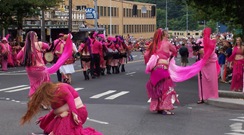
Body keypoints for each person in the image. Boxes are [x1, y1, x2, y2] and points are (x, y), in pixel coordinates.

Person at [20, 82, 103, 135]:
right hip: (67, 113)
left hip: (79, 113)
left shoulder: (61, 88)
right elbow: (54, 112)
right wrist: (44, 119)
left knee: (62, 130)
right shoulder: (53, 96)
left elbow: (70, 99)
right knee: (49, 128)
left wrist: (74, 113)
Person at [145, 28, 178, 115]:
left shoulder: (154, 45)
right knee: (166, 89)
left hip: (155, 69)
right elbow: (175, 50)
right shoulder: (167, 43)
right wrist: (169, 56)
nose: (168, 35)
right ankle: (165, 108)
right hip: (163, 68)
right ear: (164, 35)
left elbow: (146, 54)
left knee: (157, 89)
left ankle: (158, 107)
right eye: (167, 34)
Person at [17, 31, 51, 97]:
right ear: (33, 37)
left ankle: (32, 103)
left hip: (30, 69)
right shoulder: (39, 44)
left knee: (33, 85)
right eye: (36, 36)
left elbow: (18, 57)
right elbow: (48, 46)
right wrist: (42, 50)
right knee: (45, 86)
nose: (37, 37)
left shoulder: (25, 48)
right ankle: (44, 103)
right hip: (40, 69)